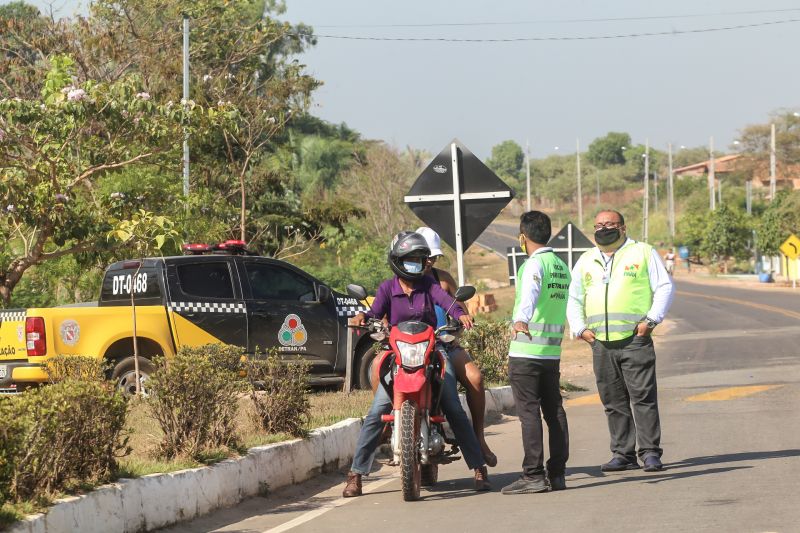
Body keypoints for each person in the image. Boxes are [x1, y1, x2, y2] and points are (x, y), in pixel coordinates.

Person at [342, 231, 491, 498]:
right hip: (398, 354)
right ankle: (356, 474)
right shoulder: (388, 288)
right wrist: (363, 317)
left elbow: (450, 304)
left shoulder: (430, 286)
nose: (416, 264)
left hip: (431, 353)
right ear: (397, 260)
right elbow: (375, 313)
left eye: (420, 259)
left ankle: (478, 467)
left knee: (453, 407)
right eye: (410, 259)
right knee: (377, 411)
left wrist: (461, 315)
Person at [566, 210, 675, 473]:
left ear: (623, 228)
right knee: (612, 400)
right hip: (600, 342)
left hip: (634, 340)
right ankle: (623, 454)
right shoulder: (586, 259)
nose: (604, 229)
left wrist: (651, 320)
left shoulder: (642, 252)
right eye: (599, 225)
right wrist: (579, 328)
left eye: (610, 224)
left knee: (643, 397)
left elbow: (664, 286)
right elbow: (575, 296)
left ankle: (650, 453)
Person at [415, 226, 497, 467]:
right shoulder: (401, 281)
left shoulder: (443, 280)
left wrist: (460, 322)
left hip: (444, 345)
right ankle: (387, 428)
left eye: (433, 257)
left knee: (476, 378)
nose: (429, 261)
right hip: (411, 349)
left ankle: (479, 439)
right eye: (425, 256)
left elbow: (459, 309)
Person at [501, 211, 570, 494]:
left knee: (529, 414)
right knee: (554, 412)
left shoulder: (534, 264)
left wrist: (520, 320)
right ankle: (557, 474)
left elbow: (528, 294)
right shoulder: (561, 266)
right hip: (550, 353)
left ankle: (533, 475)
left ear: (523, 237)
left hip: (526, 351)